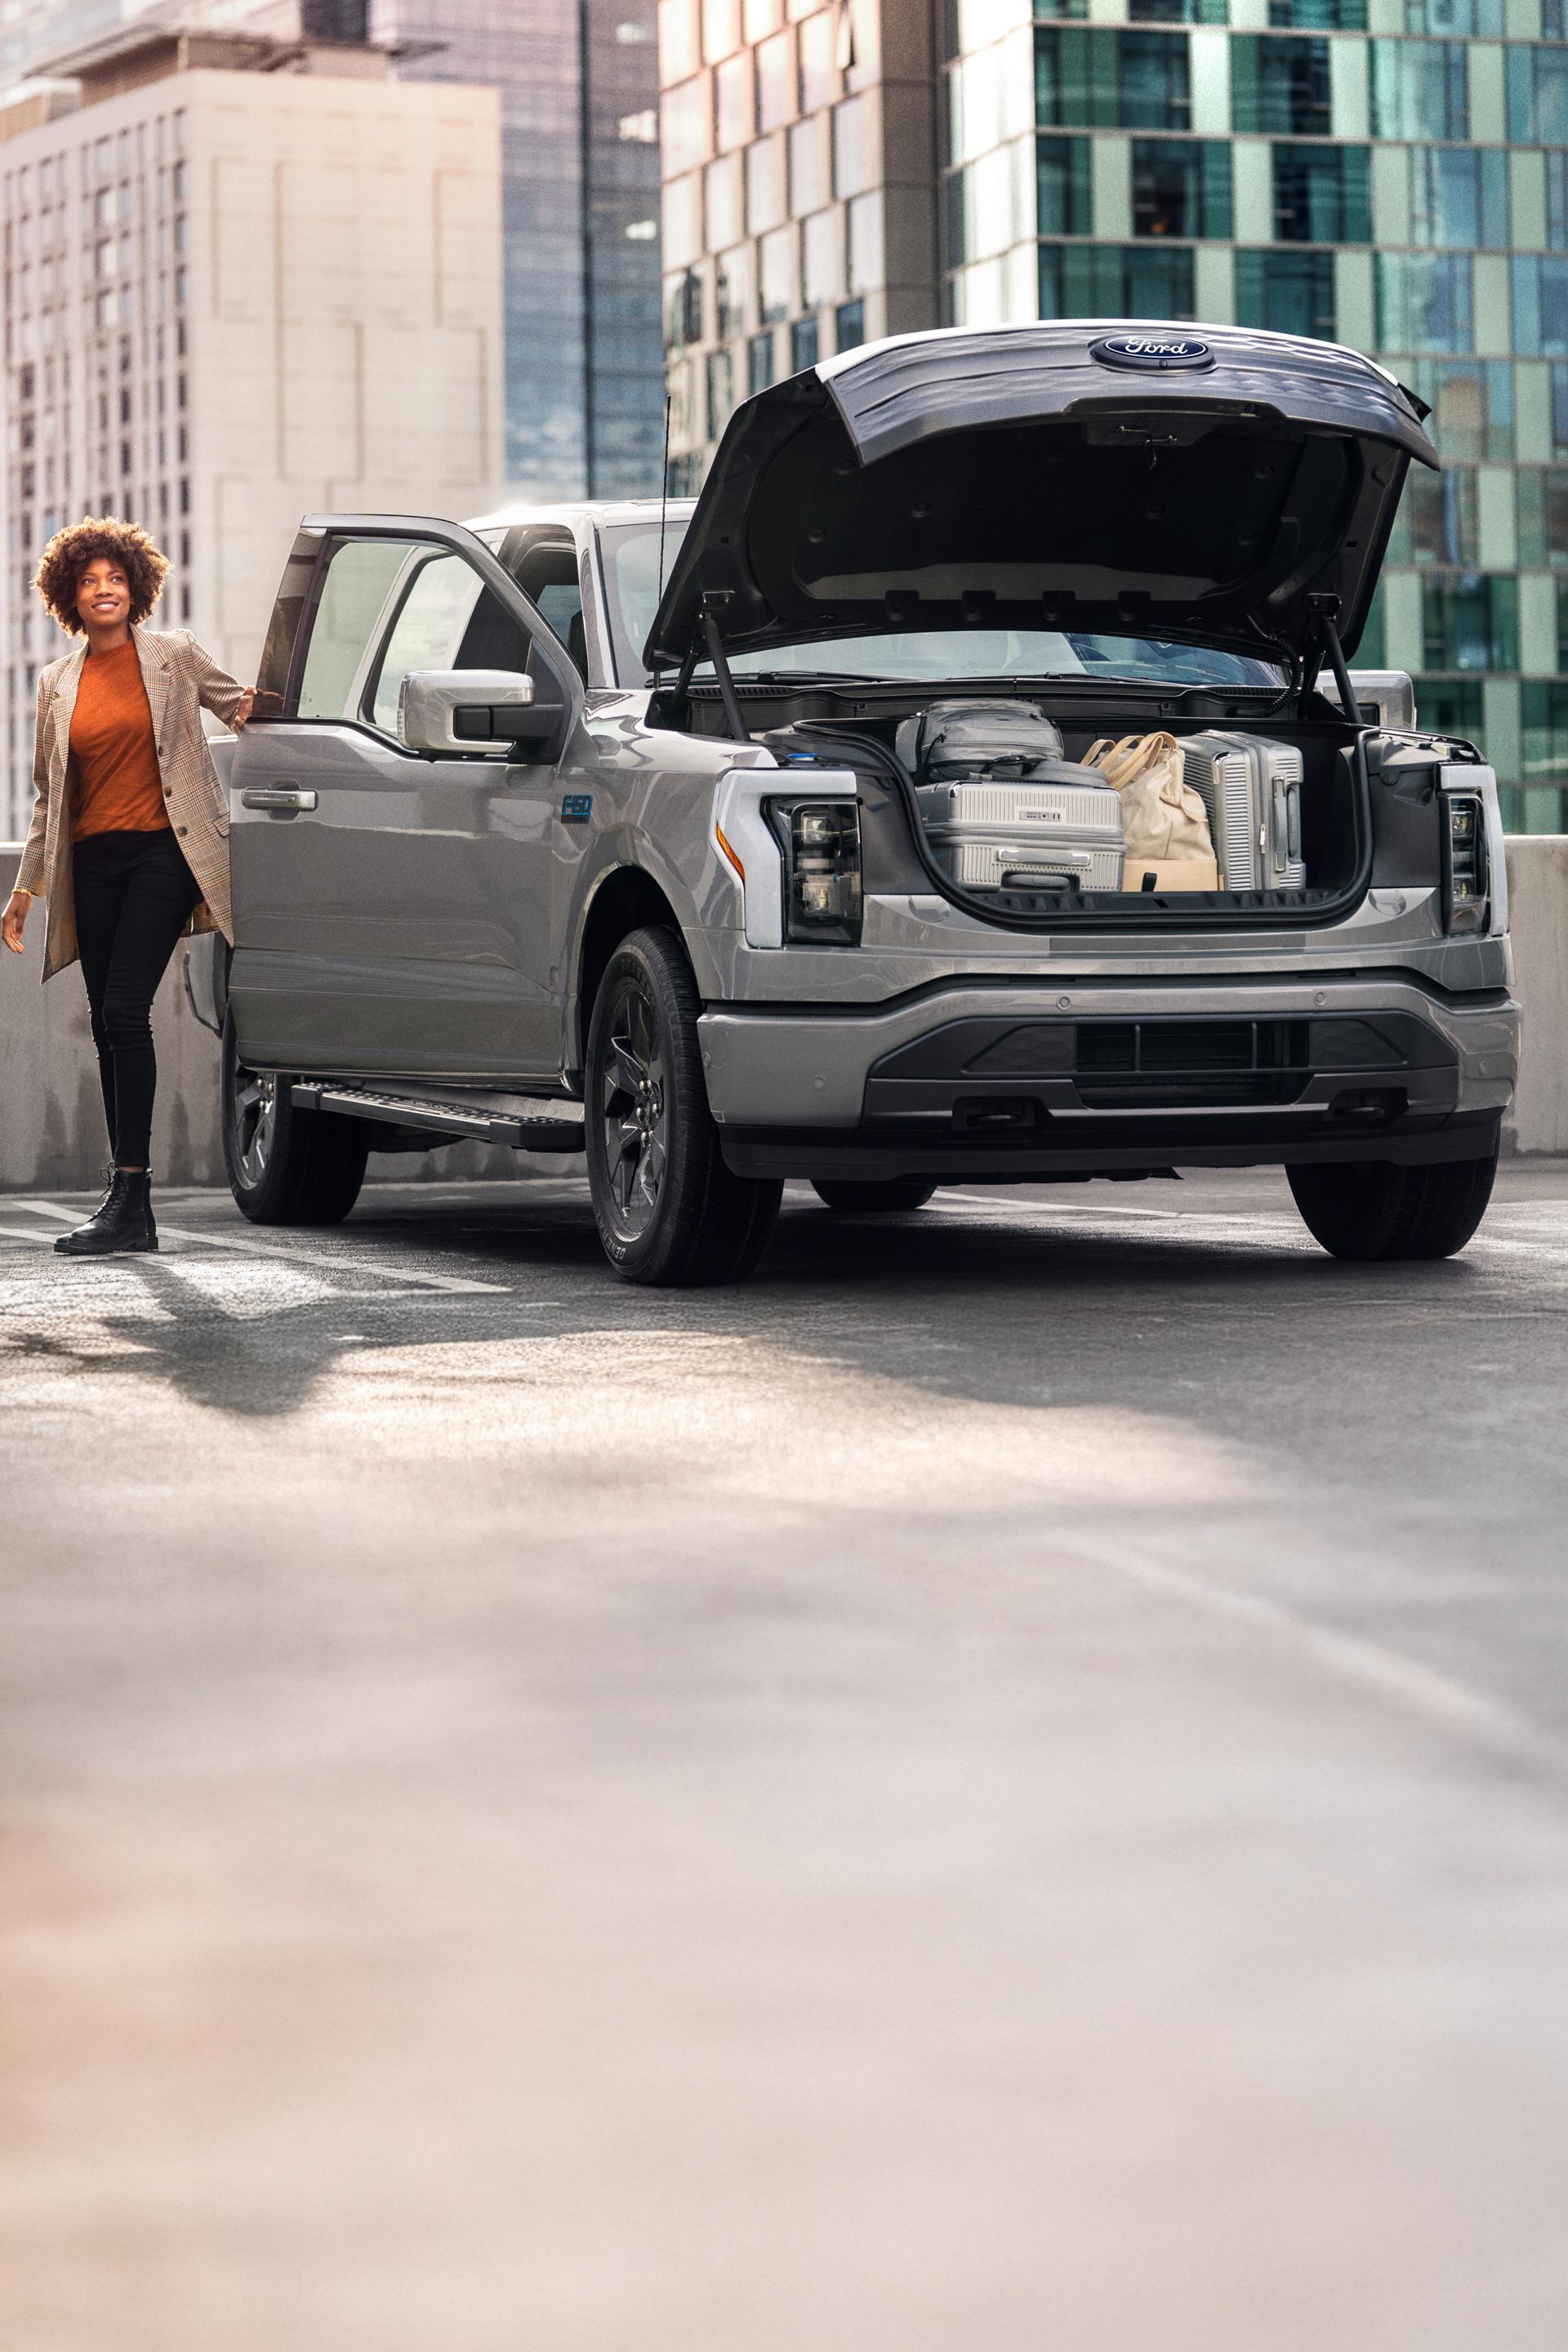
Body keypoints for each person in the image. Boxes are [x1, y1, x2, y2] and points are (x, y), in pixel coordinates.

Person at [1, 517, 255, 1255]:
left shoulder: (173, 655)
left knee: (123, 1010)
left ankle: (130, 1193)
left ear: (135, 587)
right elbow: (49, 798)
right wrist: (24, 889)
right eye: (89, 581)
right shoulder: (57, 683)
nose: (103, 589)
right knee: (108, 1027)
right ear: (69, 596)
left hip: (163, 854)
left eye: (115, 578)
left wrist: (298, 720)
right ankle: (129, 1208)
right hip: (93, 863)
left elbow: (238, 707)